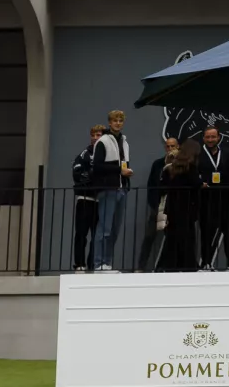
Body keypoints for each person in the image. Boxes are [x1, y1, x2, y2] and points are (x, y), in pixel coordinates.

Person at [91, 110, 132, 272]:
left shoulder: (125, 142)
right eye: (115, 120)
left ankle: (106, 262)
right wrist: (119, 171)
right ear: (109, 122)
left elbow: (125, 164)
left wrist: (126, 181)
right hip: (108, 189)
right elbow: (97, 166)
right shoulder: (103, 141)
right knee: (105, 228)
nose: (118, 123)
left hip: (121, 189)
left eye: (120, 121)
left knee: (114, 230)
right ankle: (99, 263)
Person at [197, 126, 229, 271]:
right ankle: (206, 263)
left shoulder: (226, 153)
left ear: (219, 137)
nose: (211, 140)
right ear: (203, 138)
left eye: (213, 137)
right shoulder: (199, 154)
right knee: (206, 231)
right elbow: (195, 173)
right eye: (208, 137)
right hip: (206, 198)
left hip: (225, 197)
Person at [158, 141, 201, 270]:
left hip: (172, 208)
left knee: (172, 237)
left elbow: (164, 186)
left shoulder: (172, 168)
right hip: (187, 207)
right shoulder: (191, 168)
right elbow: (196, 184)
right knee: (187, 238)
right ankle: (188, 265)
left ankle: (171, 265)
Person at [138, 137, 179, 271]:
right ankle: (141, 267)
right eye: (167, 146)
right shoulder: (158, 164)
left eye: (173, 146)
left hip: (175, 206)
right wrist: (154, 204)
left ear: (178, 147)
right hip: (158, 205)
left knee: (173, 237)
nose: (170, 149)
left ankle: (170, 267)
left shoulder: (183, 165)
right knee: (149, 236)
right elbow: (151, 185)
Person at [71, 125, 104, 272]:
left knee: (97, 237)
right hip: (85, 200)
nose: (96, 138)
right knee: (81, 234)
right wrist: (93, 176)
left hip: (101, 201)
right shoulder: (84, 154)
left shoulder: (107, 155)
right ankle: (79, 264)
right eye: (94, 135)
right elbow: (77, 175)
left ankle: (92, 265)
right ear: (91, 137)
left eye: (99, 135)